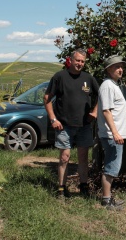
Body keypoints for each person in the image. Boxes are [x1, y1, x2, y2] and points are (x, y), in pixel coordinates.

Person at [44, 49, 99, 198]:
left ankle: (83, 186)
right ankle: (61, 188)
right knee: (64, 157)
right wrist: (53, 119)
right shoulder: (60, 77)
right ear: (71, 60)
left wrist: (95, 112)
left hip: (84, 125)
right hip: (64, 125)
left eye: (82, 61)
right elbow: (47, 98)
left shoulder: (88, 78)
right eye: (77, 60)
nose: (80, 64)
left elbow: (101, 96)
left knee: (83, 157)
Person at [97, 55, 126, 210]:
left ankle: (108, 198)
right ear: (109, 69)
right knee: (111, 167)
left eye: (121, 67)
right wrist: (115, 133)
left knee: (113, 166)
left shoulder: (113, 85)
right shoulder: (108, 86)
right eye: (116, 67)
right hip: (112, 135)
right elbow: (107, 111)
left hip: (115, 134)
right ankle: (106, 200)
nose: (120, 69)